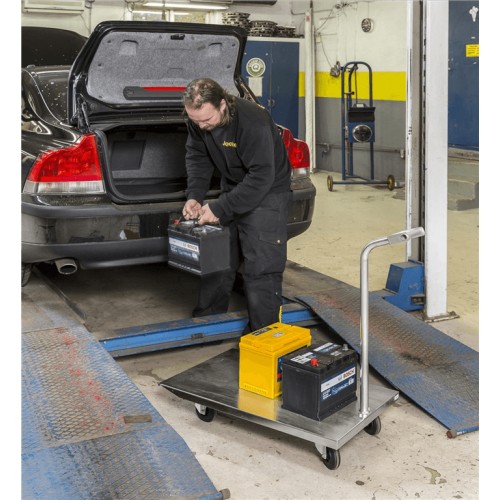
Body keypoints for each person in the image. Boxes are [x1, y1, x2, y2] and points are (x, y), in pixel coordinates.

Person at [182, 78, 291, 333]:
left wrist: (220, 208)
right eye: (195, 121)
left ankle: (263, 334)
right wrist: (195, 196)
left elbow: (261, 176)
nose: (201, 126)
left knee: (261, 267)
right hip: (233, 186)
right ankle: (208, 323)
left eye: (206, 120)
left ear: (222, 104)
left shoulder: (253, 121)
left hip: (267, 191)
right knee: (218, 258)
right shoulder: (198, 120)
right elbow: (197, 157)